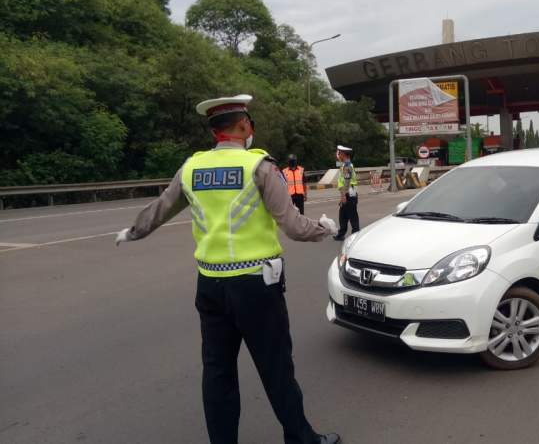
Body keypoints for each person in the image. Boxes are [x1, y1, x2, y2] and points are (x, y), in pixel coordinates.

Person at [114, 94, 341, 444]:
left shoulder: (191, 167)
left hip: (210, 286)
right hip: (256, 287)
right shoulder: (259, 166)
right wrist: (325, 229)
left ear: (214, 131)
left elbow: (160, 209)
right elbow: (293, 226)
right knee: (276, 367)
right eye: (250, 123)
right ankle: (301, 439)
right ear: (243, 126)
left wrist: (132, 232)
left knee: (218, 372)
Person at [333, 145, 359, 241]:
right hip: (347, 193)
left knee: (352, 215)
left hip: (349, 193)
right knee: (343, 215)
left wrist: (343, 195)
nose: (338, 155)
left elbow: (347, 181)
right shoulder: (344, 165)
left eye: (339, 153)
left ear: (344, 154)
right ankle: (341, 234)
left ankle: (356, 235)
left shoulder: (347, 165)